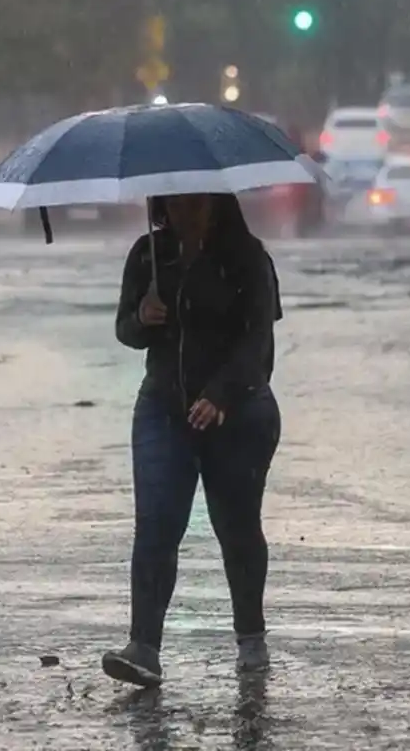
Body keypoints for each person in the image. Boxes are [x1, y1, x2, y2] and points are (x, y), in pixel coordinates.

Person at [101, 192, 283, 688]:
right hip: (164, 409)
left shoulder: (248, 258)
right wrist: (143, 316)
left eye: (196, 204)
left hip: (240, 414)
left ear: (217, 203)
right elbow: (124, 330)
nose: (185, 213)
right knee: (156, 526)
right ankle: (143, 646)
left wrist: (222, 394)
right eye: (175, 205)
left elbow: (258, 343)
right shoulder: (147, 255)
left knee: (237, 527)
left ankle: (251, 636)